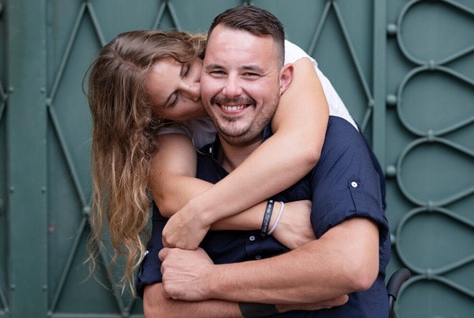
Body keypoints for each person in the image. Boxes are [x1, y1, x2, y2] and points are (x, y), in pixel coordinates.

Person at [137, 5, 391, 317]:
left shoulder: (333, 138)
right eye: (217, 72)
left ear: (283, 79)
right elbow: (160, 305)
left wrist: (208, 280)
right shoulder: (189, 162)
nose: (228, 89)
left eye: (251, 73)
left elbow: (351, 266)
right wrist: (279, 298)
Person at [86, 11, 356, 296]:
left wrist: (201, 212)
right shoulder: (173, 126)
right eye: (174, 99)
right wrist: (273, 216)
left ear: (189, 50)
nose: (195, 89)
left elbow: (300, 148)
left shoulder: (266, 55)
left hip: (339, 200)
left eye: (188, 70)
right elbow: (172, 194)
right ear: (154, 118)